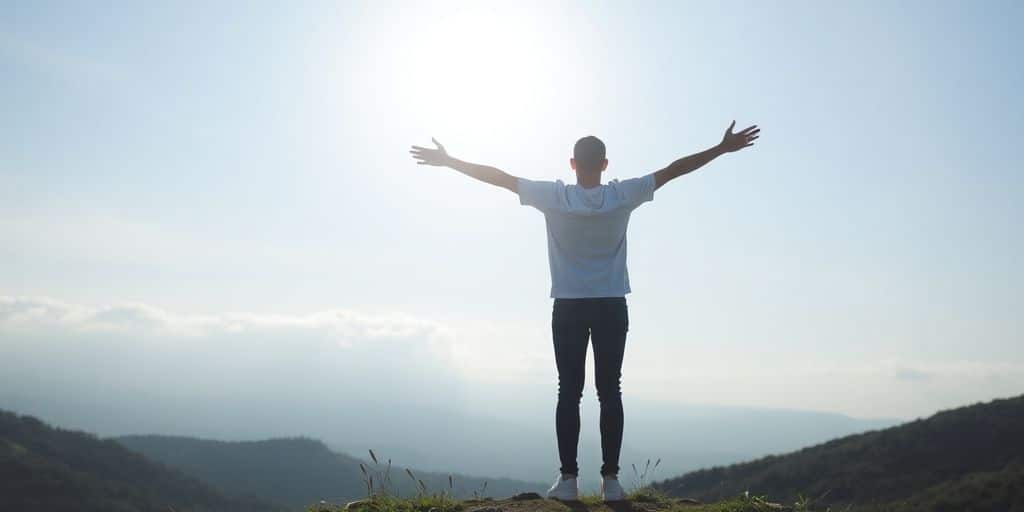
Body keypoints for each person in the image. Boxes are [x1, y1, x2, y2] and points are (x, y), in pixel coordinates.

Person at [409, 121, 760, 502]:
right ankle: (611, 482)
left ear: (573, 163)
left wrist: (449, 161)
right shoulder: (623, 195)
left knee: (568, 392)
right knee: (610, 391)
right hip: (611, 305)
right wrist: (720, 148)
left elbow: (500, 178)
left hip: (569, 306)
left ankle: (569, 481)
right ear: (605, 164)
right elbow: (674, 169)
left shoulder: (553, 197)